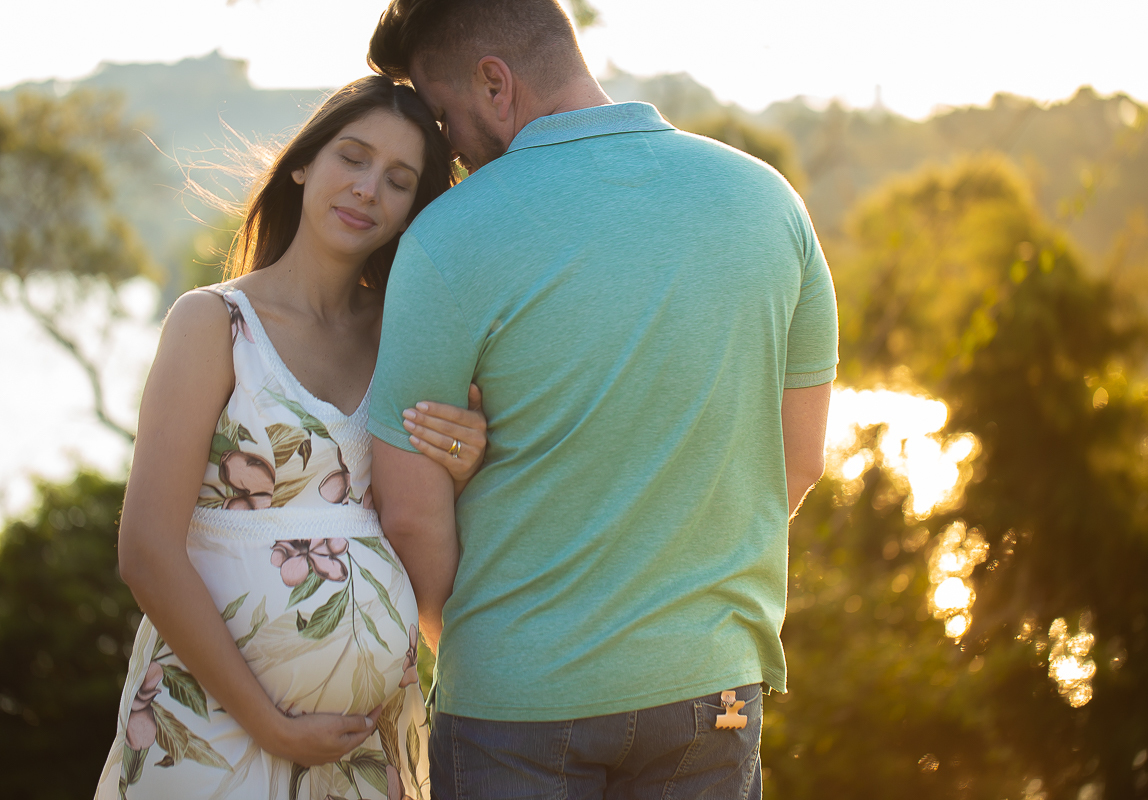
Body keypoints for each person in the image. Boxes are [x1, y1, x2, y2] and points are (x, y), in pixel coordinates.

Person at [364, 1, 838, 797]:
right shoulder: (770, 202)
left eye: (442, 115)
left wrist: (489, 651)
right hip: (710, 690)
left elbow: (410, 513)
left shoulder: (446, 237)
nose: (445, 146)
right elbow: (796, 462)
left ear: (493, 83)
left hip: (515, 709)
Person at [94, 76, 487, 800]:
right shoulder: (214, 325)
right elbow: (146, 549)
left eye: (398, 181)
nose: (368, 188)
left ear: (412, 212)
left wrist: (462, 460)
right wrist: (269, 724)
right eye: (353, 157)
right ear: (304, 162)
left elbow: (426, 525)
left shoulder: (406, 339)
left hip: (371, 748)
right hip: (210, 731)